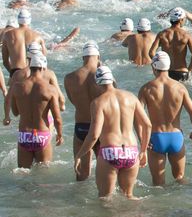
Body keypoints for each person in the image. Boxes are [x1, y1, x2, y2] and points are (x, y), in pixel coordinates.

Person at [77, 65, 151, 198]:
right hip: (131, 152)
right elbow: (148, 125)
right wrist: (144, 150)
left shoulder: (98, 102)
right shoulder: (131, 97)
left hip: (110, 152)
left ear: (97, 83)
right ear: (112, 79)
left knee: (105, 198)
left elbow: (94, 135)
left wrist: (79, 155)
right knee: (129, 196)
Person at [138, 52, 192, 185]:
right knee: (180, 178)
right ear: (168, 66)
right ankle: (186, 204)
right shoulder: (180, 88)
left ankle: (160, 206)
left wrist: (142, 140)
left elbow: (138, 117)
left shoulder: (146, 89)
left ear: (153, 67)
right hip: (176, 137)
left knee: (158, 183)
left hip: (156, 138)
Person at [9, 50, 64, 168]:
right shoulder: (50, 89)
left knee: (23, 174)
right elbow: (57, 118)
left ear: (30, 67)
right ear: (43, 68)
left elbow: (15, 112)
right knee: (43, 178)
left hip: (24, 135)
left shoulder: (17, 87)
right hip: (41, 135)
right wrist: (60, 134)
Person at [63, 42, 102, 180]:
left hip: (81, 128)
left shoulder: (69, 78)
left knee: (81, 173)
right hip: (100, 129)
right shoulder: (104, 77)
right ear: (98, 56)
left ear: (83, 57)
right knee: (105, 173)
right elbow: (112, 101)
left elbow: (73, 101)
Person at [150, 7, 192, 82]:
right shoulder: (186, 35)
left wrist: (157, 67)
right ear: (181, 20)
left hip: (166, 72)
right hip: (182, 72)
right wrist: (189, 70)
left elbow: (151, 53)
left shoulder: (162, 34)